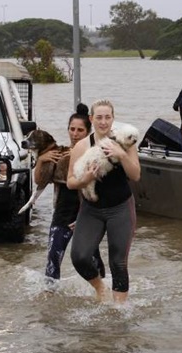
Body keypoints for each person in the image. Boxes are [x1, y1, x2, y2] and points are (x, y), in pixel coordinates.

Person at [66, 99, 140, 303]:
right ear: (91, 119)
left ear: (113, 118)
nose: (103, 122)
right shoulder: (82, 146)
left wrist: (121, 155)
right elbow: (71, 183)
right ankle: (100, 288)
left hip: (121, 208)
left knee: (118, 262)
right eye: (99, 117)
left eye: (108, 117)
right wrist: (87, 179)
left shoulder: (125, 140)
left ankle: (119, 311)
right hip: (92, 209)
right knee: (79, 257)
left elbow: (136, 175)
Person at [36, 104, 106, 284]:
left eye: (80, 130)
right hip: (61, 215)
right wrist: (40, 160)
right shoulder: (59, 155)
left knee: (92, 260)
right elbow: (39, 182)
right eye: (72, 129)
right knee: (53, 260)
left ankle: (104, 293)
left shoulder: (95, 156)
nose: (75, 134)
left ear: (88, 131)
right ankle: (49, 303)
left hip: (87, 216)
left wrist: (87, 217)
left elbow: (101, 192)